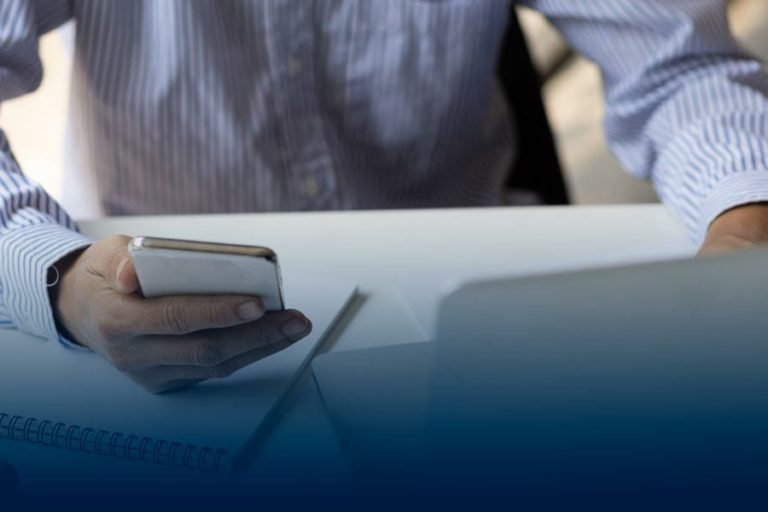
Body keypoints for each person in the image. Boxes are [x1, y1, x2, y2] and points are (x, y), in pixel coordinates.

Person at [2, 0, 768, 392]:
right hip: (149, 319)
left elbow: (680, 70)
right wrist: (58, 277)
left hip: (471, 314)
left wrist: (743, 228)